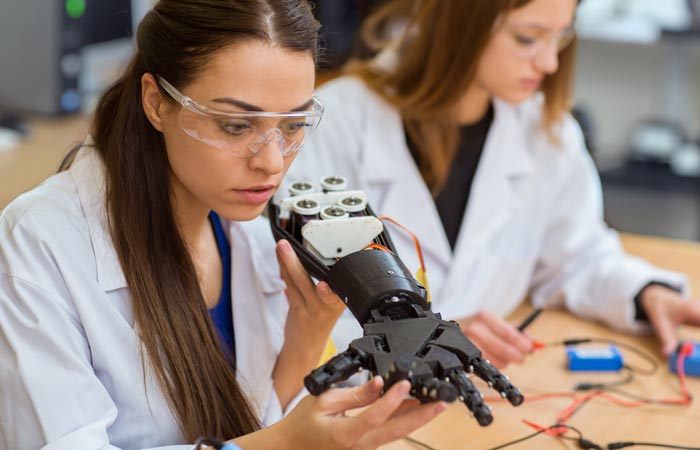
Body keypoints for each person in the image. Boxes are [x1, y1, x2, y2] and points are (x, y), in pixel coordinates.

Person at [0, 1, 447, 448]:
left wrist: (305, 338)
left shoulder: (252, 227)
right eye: (236, 126)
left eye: (293, 125)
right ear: (156, 102)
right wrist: (288, 444)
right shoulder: (40, 245)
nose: (272, 163)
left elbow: (250, 422)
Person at [287, 0, 700, 369]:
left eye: (560, 37)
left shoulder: (544, 130)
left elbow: (577, 257)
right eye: (527, 38)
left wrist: (644, 292)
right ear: (458, 22)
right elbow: (289, 304)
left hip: (480, 394)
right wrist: (411, 341)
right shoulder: (334, 124)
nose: (549, 63)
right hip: (364, 398)